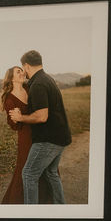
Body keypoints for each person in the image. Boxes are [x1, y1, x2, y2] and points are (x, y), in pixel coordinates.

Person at [9, 50, 71, 204]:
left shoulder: (38, 84)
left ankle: (31, 215)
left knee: (29, 174)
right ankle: (60, 208)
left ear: (26, 65)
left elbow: (42, 116)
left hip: (48, 139)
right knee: (51, 173)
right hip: (61, 137)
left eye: (23, 69)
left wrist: (20, 117)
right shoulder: (47, 79)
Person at [0, 66, 52, 204]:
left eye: (22, 70)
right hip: (27, 138)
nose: (22, 73)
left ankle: (45, 202)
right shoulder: (9, 99)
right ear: (11, 78)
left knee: (45, 166)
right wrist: (16, 118)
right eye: (18, 72)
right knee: (26, 168)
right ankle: (18, 203)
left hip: (42, 133)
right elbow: (14, 125)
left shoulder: (30, 89)